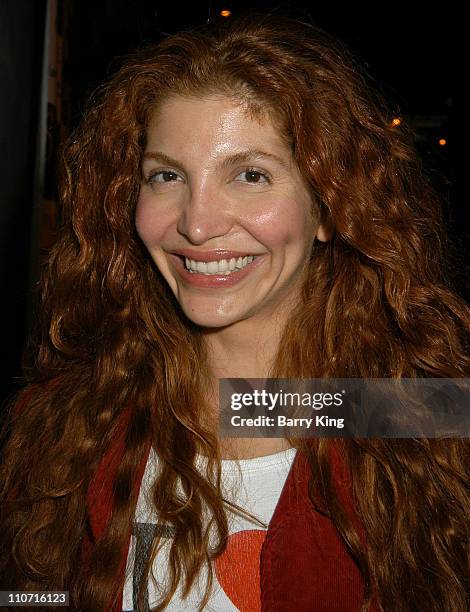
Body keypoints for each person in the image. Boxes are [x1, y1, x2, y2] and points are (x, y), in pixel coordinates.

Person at [1, 11, 469, 612]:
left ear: (330, 208)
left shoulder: (416, 419)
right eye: (166, 175)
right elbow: (29, 593)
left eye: (250, 175)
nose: (197, 223)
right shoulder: (73, 415)